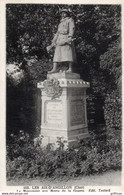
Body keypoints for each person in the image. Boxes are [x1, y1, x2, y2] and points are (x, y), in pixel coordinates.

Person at [47, 8, 76, 73]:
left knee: (68, 54)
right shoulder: (60, 22)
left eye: (64, 13)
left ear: (67, 13)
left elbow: (72, 28)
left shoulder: (70, 20)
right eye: (62, 13)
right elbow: (57, 32)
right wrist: (53, 40)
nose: (63, 14)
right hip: (59, 38)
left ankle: (70, 68)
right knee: (57, 54)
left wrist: (70, 36)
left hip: (66, 37)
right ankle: (54, 68)